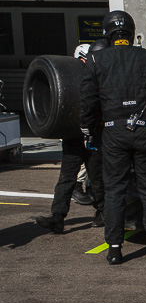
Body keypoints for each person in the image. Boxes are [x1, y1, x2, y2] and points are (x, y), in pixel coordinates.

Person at [80, 10, 146, 265]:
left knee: (114, 191)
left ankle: (114, 249)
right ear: (131, 34)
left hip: (112, 133)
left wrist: (88, 130)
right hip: (144, 131)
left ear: (107, 34)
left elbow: (87, 101)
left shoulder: (96, 60)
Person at [35, 43, 105, 233]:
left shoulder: (100, 76)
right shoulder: (68, 79)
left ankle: (102, 213)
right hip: (74, 135)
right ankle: (57, 217)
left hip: (94, 134)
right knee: (66, 177)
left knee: (97, 178)